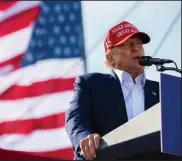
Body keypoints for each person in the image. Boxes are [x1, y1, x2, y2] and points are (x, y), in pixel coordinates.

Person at [65, 21, 160, 160]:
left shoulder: (162, 91)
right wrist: (85, 138)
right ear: (111, 58)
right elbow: (75, 117)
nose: (136, 49)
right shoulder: (91, 84)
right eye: (128, 45)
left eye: (139, 44)